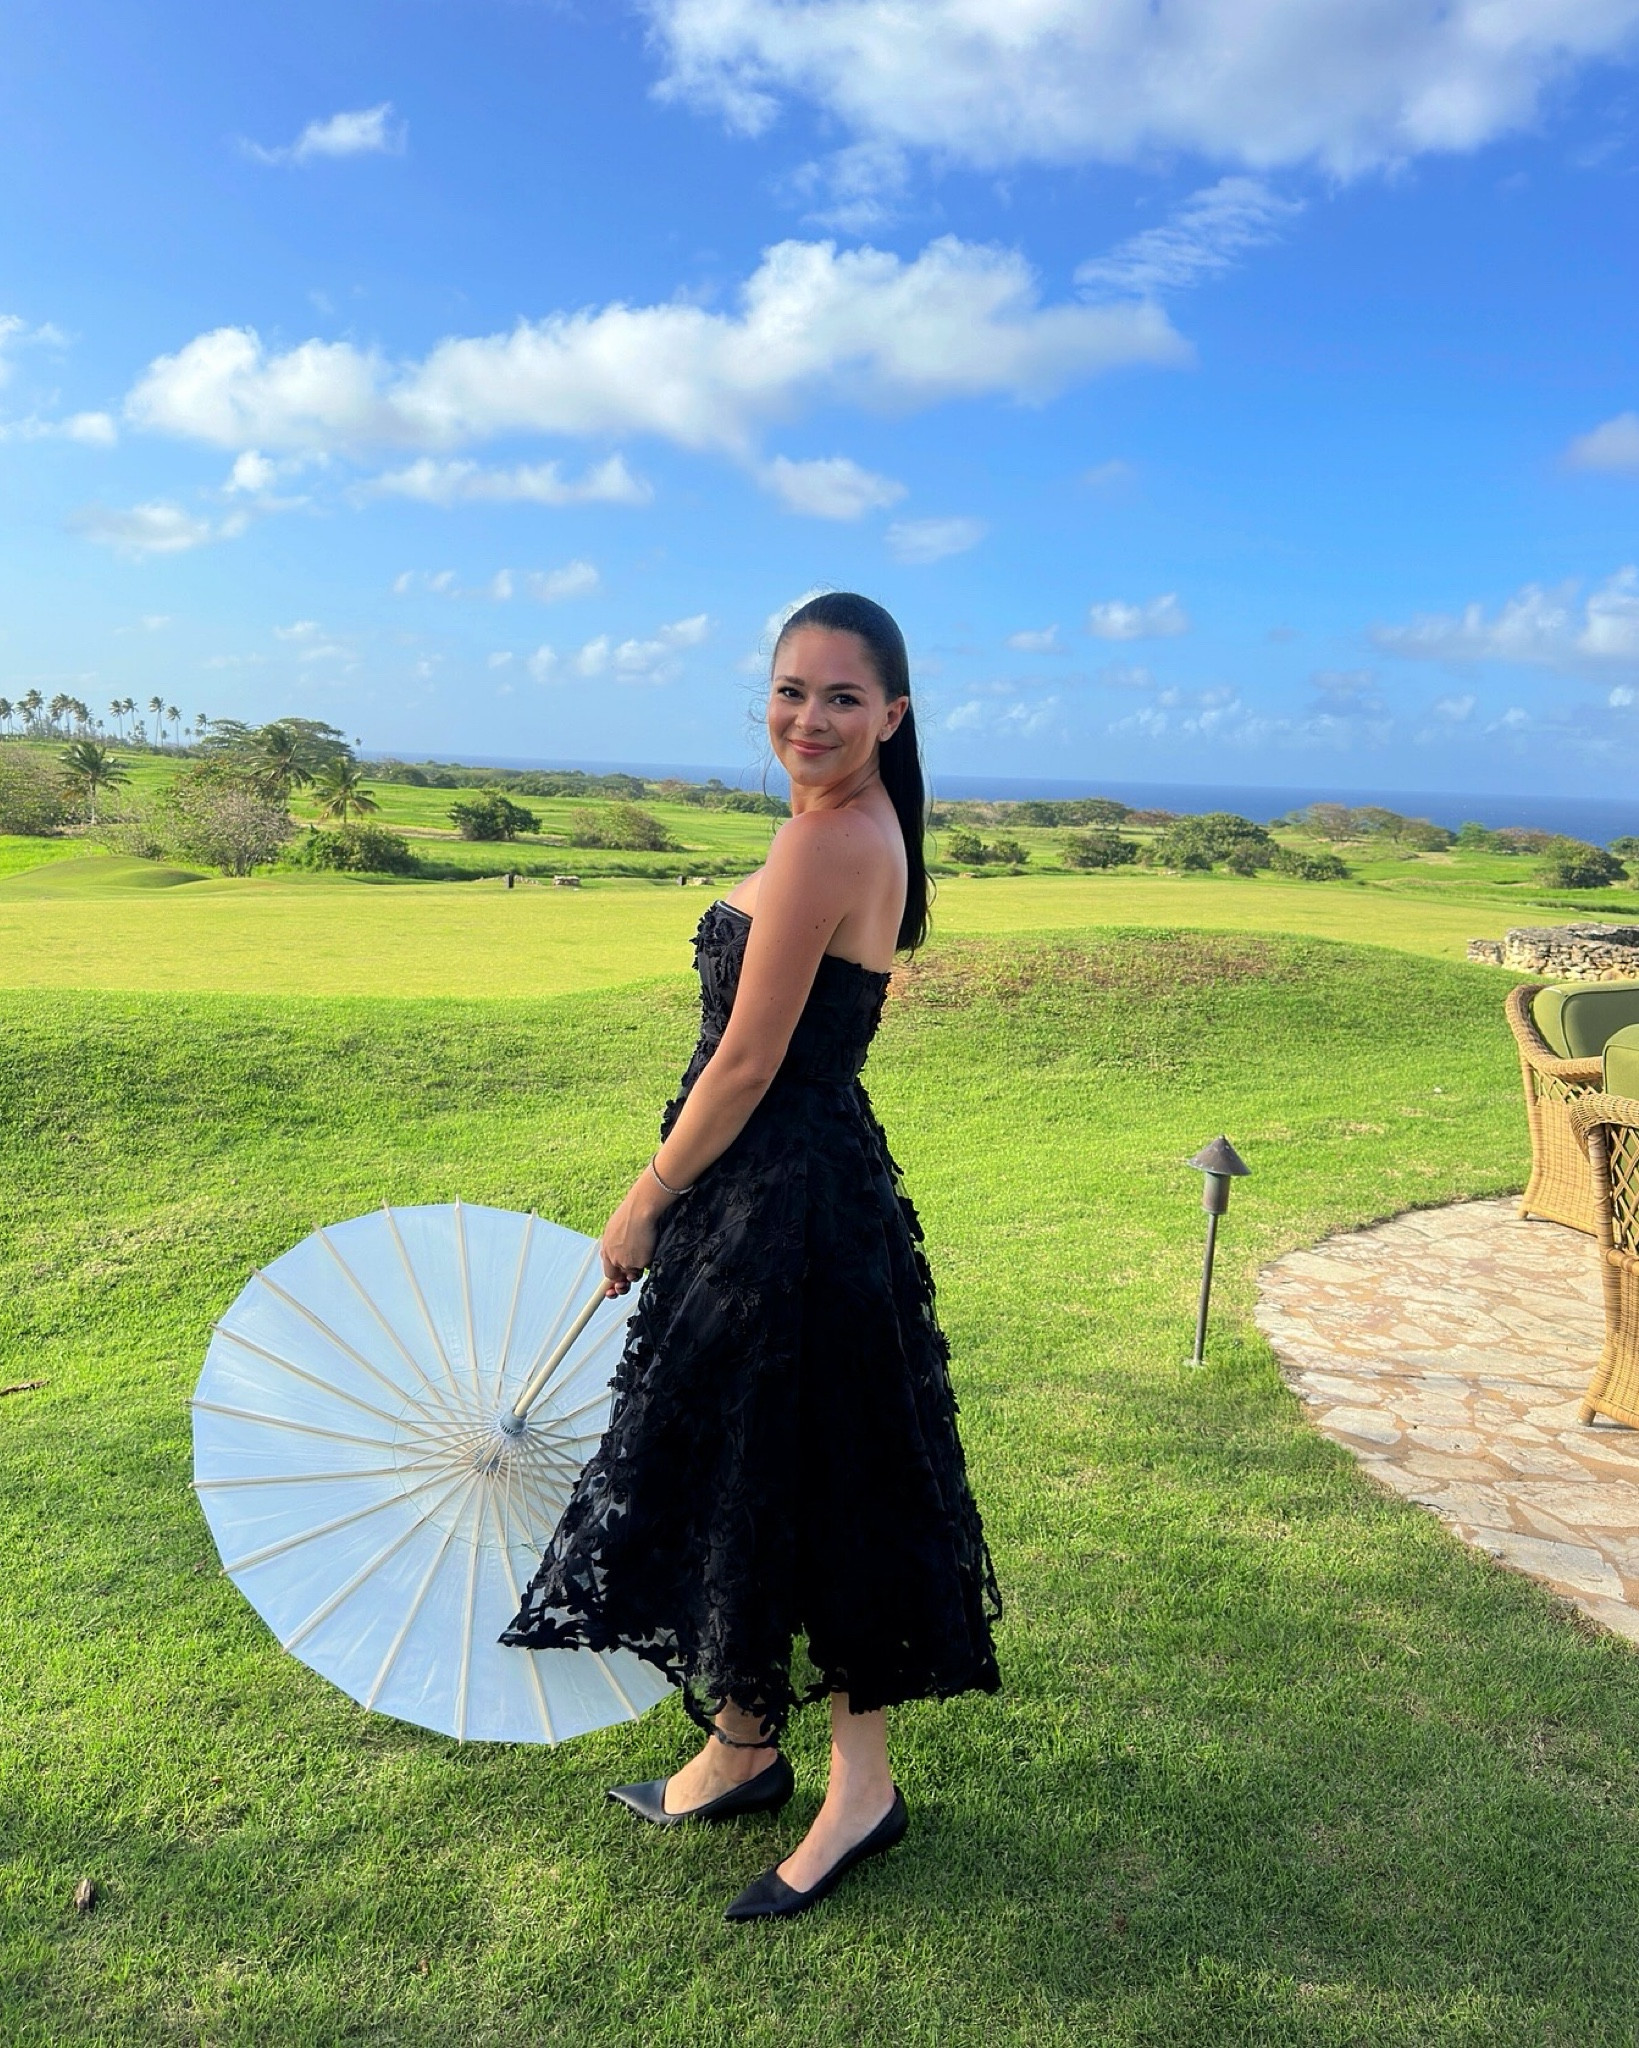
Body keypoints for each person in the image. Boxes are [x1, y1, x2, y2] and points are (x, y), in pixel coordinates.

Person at [502, 592, 1000, 1922]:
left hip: (785, 1205)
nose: (809, 718)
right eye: (789, 690)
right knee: (743, 1460)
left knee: (826, 1482)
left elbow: (749, 1062)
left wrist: (642, 1200)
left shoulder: (833, 844)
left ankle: (861, 1795)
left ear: (892, 716)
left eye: (842, 697)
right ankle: (740, 1745)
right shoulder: (830, 831)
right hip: (779, 1190)